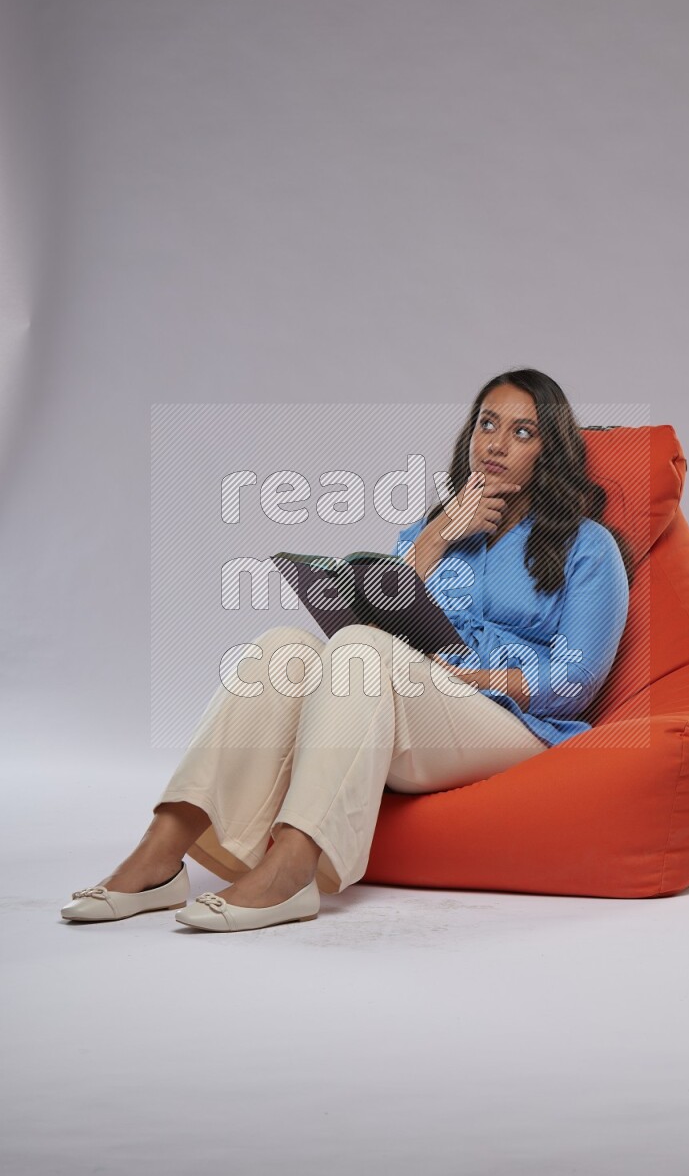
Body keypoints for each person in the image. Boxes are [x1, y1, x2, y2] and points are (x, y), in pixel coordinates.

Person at [61, 368, 632, 932]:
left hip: (517, 727)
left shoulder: (588, 547)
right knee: (281, 648)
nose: (498, 444)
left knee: (362, 649)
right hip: (417, 711)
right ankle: (161, 853)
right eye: (488, 424)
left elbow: (573, 684)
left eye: (523, 432)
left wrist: (467, 678)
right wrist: (436, 539)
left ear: (550, 451)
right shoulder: (429, 535)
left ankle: (291, 870)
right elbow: (375, 629)